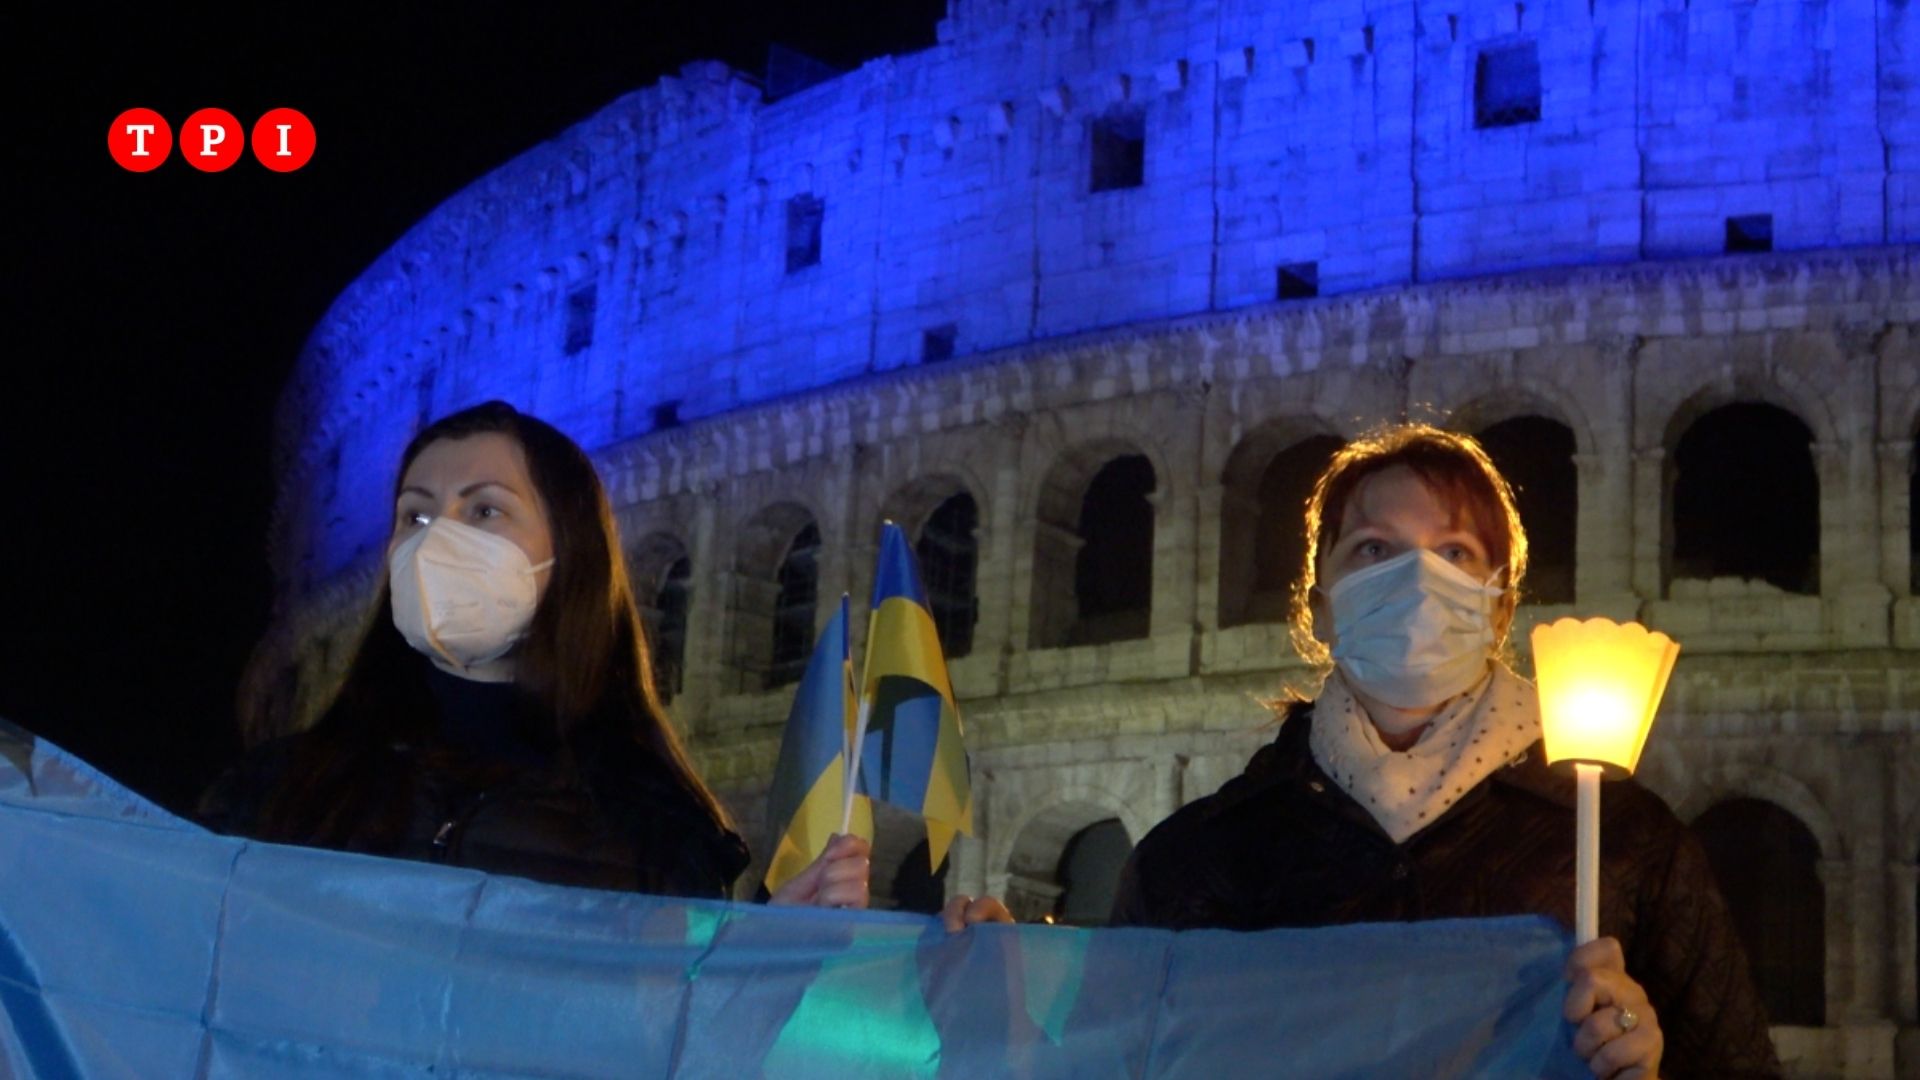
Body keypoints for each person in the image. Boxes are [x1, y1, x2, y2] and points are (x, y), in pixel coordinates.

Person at [1111, 424, 1781, 1078]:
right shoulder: (1193, 859)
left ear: (1498, 607)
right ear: (1319, 606)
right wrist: (1011, 1001)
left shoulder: (1628, 841)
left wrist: (1643, 1067)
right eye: (1375, 550)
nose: (1418, 578)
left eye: (1455, 552)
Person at [204, 401, 1000, 925]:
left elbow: (674, 1052)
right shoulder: (271, 793)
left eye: (483, 510)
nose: (436, 540)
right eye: (414, 513)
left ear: (570, 554)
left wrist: (765, 960)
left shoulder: (656, 828)